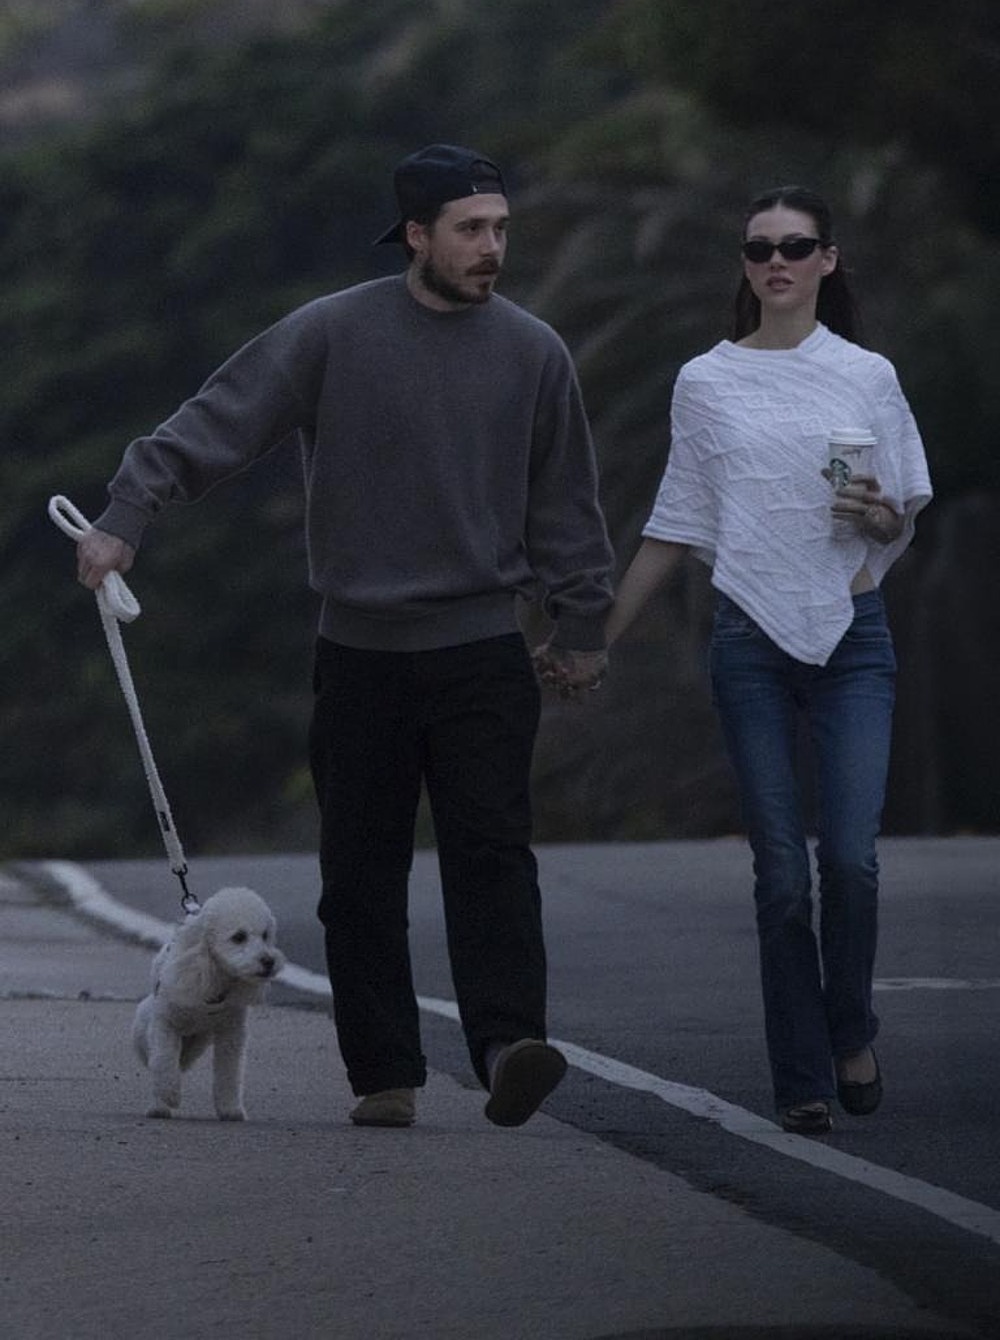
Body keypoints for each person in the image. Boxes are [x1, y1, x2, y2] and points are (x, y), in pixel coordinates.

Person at [75, 143, 614, 1129]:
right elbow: (218, 420)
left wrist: (582, 623)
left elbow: (567, 503)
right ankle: (385, 1074)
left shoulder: (534, 350)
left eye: (500, 228)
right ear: (416, 236)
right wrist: (124, 518)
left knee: (493, 857)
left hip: (480, 650)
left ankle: (508, 1047)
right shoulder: (332, 332)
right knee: (359, 876)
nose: (492, 247)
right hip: (362, 655)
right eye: (470, 230)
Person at [604, 186, 931, 1136]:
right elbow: (675, 523)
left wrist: (881, 518)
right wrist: (593, 642)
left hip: (854, 637)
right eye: (759, 250)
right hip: (748, 640)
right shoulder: (706, 381)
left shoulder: (867, 375)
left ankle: (851, 1027)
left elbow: (899, 512)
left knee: (852, 862)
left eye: (795, 246)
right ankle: (801, 1076)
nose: (776, 263)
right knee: (782, 874)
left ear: (828, 259)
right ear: (744, 266)